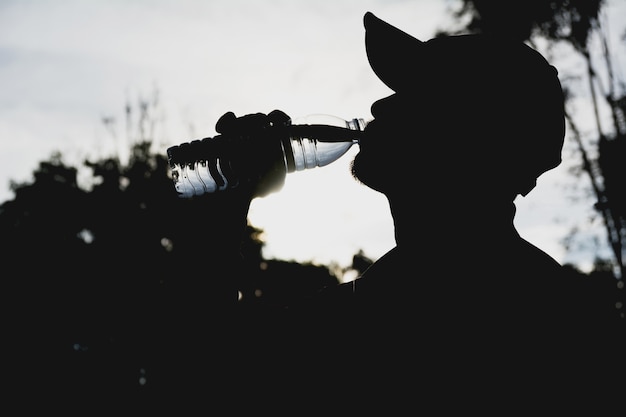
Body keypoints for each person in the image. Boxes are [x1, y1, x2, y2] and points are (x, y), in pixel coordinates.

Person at [164, 11, 624, 410]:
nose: (380, 104)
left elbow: (205, 384)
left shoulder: (541, 323)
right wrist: (218, 220)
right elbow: (213, 376)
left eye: (415, 92)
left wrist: (213, 233)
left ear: (467, 134)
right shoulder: (378, 300)